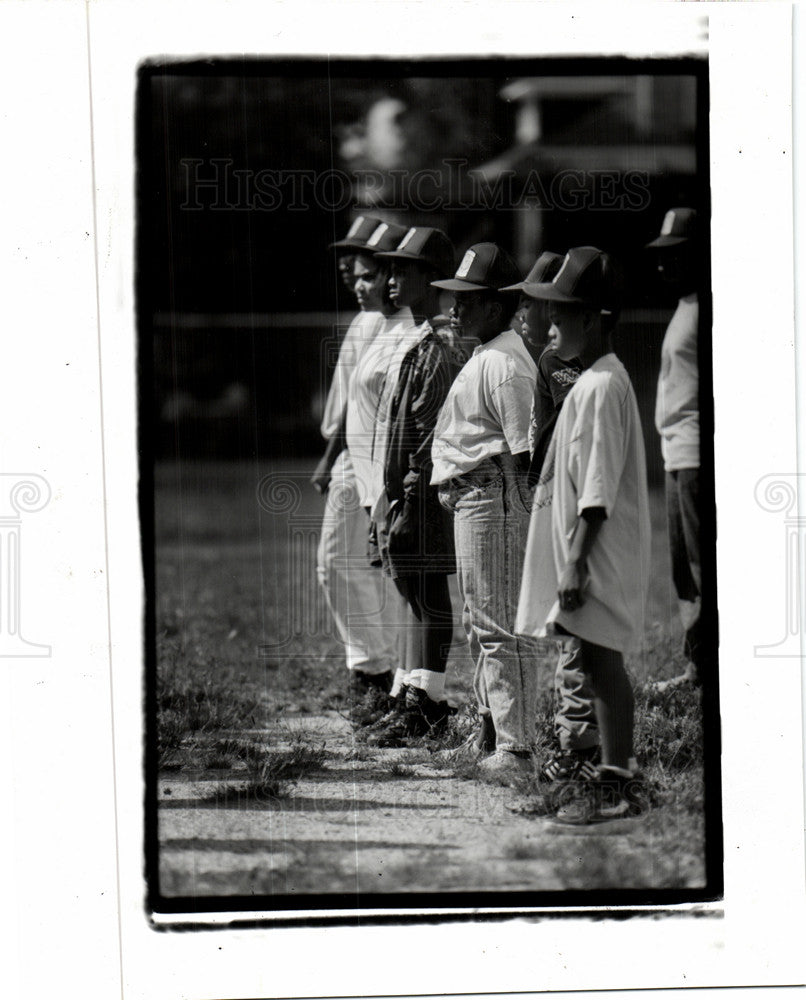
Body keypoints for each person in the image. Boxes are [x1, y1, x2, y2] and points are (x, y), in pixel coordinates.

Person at [515, 247, 650, 826]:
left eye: (561, 316)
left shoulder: (599, 386)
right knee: (593, 662)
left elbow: (596, 489)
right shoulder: (595, 380)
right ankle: (606, 781)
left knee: (601, 662)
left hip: (594, 553)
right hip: (585, 550)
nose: (550, 326)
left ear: (593, 320)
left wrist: (574, 563)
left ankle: (617, 787)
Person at [430, 243, 540, 784]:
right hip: (475, 497)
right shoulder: (487, 353)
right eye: (454, 297)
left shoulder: (502, 363)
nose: (455, 308)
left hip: (493, 498)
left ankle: (518, 751)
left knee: (498, 627)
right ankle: (492, 735)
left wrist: (521, 511)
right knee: (483, 626)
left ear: (496, 306)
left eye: (467, 300)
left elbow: (527, 450)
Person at [354, 226, 463, 745]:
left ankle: (429, 699)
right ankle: (410, 690)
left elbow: (428, 434)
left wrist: (407, 495)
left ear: (433, 278)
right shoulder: (417, 339)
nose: (392, 280)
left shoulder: (440, 346)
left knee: (428, 591)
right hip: (400, 490)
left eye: (405, 270)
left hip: (424, 492)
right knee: (411, 591)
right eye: (391, 270)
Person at [503, 253, 599, 784]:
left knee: (574, 623)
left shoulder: (596, 369)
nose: (526, 310)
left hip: (583, 499)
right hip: (550, 497)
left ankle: (577, 740)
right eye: (522, 300)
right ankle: (575, 732)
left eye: (535, 301)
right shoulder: (543, 363)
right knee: (561, 622)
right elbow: (540, 439)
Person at [313, 218, 407, 713]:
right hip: (352, 453)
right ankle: (373, 666)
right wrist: (329, 459)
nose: (350, 268)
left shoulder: (392, 324)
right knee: (343, 563)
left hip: (375, 457)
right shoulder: (364, 320)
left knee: (355, 563)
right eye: (348, 258)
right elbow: (350, 399)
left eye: (362, 258)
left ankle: (377, 669)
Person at [646, 208, 704, 693]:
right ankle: (697, 666)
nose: (663, 266)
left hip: (696, 455)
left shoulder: (707, 305)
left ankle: (710, 669)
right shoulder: (685, 304)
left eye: (674, 256)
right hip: (675, 452)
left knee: (702, 564)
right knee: (683, 566)